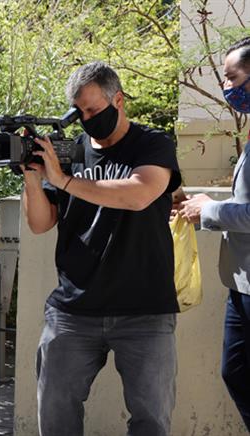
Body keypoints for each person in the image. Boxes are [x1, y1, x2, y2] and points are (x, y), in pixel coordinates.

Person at [22, 61, 182, 436]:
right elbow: (40, 223)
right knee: (55, 413)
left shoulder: (152, 143)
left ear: (118, 100)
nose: (87, 119)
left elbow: (139, 194)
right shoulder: (70, 151)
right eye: (80, 113)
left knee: (151, 420)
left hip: (144, 309)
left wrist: (64, 181)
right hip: (73, 309)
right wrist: (32, 178)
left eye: (94, 110)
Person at [178, 36, 250, 431]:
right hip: (241, 285)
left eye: (232, 78)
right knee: (235, 371)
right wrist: (208, 204)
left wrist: (209, 210)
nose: (226, 87)